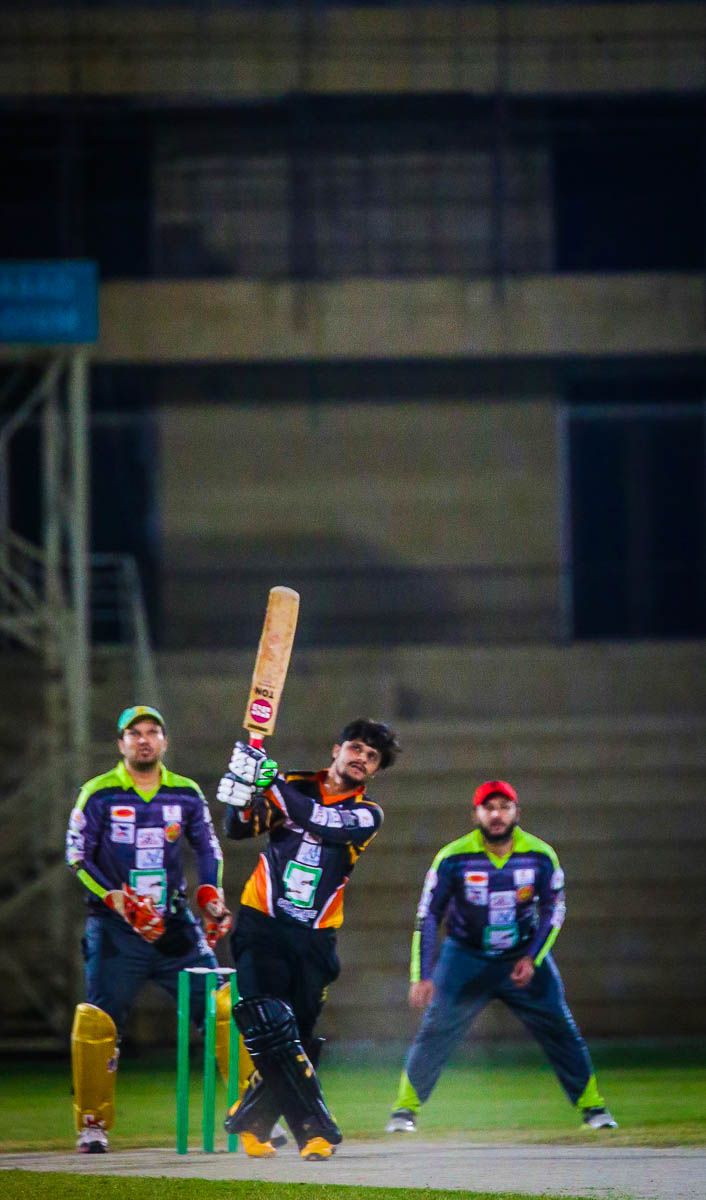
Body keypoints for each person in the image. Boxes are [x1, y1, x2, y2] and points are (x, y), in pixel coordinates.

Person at [385, 779, 617, 1134]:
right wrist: (422, 974)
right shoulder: (453, 857)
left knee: (561, 1029)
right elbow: (428, 914)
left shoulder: (540, 855)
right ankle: (404, 1112)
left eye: (504, 807)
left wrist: (533, 957)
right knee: (434, 1030)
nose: (496, 815)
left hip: (520, 958)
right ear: (475, 814)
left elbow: (554, 910)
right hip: (465, 958)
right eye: (489, 808)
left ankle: (594, 1109)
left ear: (516, 813)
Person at [217, 717, 400, 1162]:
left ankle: (251, 1118)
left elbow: (320, 821)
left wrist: (269, 781)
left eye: (372, 757)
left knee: (296, 1040)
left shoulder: (368, 814)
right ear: (336, 749)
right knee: (268, 1024)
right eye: (356, 748)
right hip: (262, 921)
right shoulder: (295, 784)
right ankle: (315, 1130)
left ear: (376, 770)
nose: (361, 759)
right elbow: (239, 828)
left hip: (315, 936)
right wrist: (241, 793)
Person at [65, 705, 233, 1153]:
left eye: (152, 732)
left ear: (164, 741)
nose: (144, 740)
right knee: (97, 1022)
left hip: (174, 926)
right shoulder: (98, 793)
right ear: (121, 743)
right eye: (134, 733)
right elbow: (77, 856)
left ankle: (252, 1111)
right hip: (116, 928)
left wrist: (210, 895)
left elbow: (208, 848)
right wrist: (113, 897)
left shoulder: (185, 793)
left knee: (223, 1007)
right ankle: (92, 1123)